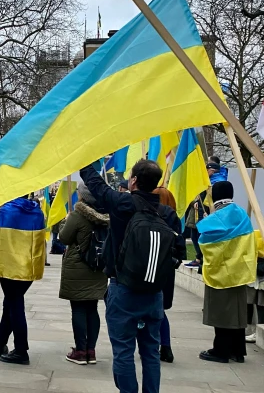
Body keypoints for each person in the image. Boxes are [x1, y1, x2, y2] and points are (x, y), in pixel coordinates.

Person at [82, 160, 185, 393]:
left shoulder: (122, 203)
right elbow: (178, 252)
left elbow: (96, 185)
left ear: (134, 180)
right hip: (153, 293)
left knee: (124, 351)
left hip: (123, 288)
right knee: (150, 352)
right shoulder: (167, 213)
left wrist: (85, 161)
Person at [197, 180, 257, 363]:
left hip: (221, 274)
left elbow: (205, 244)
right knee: (238, 314)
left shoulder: (216, 218)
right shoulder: (242, 214)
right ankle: (238, 352)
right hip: (240, 273)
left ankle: (221, 350)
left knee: (221, 314)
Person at [0, 195, 46, 365]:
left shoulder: (5, 211)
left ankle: (21, 349)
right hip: (28, 266)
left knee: (14, 303)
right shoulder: (38, 213)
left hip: (8, 266)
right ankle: (1, 343)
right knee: (11, 302)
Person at [59, 183, 109, 365]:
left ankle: (80, 351)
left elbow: (63, 238)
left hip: (78, 267)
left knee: (78, 308)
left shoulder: (78, 215)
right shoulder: (106, 215)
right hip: (98, 268)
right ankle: (91, 350)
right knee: (92, 308)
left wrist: (66, 221)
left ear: (82, 196)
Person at [152, 187, 180, 363]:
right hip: (167, 269)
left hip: (151, 266)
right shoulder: (173, 218)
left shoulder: (151, 215)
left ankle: (152, 345)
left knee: (149, 308)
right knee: (160, 309)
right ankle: (166, 346)